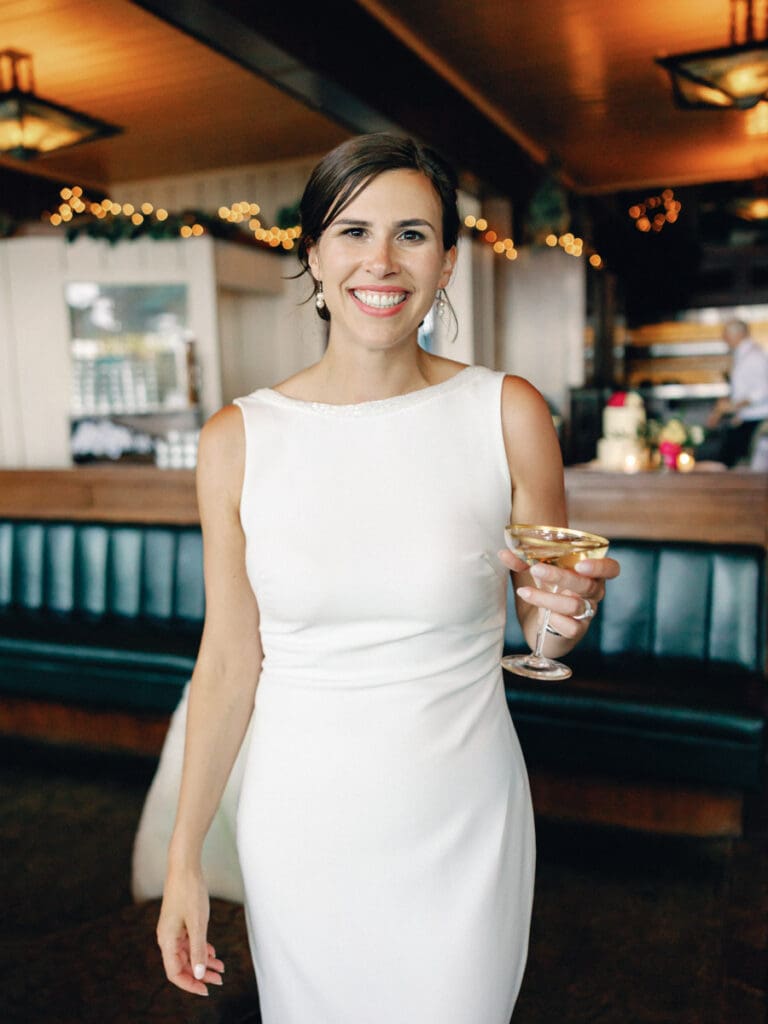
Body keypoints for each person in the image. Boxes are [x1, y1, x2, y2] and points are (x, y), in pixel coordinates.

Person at [155, 133, 620, 1023]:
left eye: (413, 234)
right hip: (302, 825)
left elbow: (546, 632)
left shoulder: (507, 410)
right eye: (353, 231)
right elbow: (226, 662)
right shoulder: (237, 440)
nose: (382, 259)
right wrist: (185, 858)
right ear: (314, 254)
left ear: (447, 260)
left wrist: (567, 611)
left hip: (461, 817)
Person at [707, 319, 768, 466]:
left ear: (738, 334)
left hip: (757, 420)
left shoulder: (754, 356)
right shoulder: (743, 354)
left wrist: (734, 406)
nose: (723, 338)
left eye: (726, 333)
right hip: (748, 418)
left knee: (731, 462)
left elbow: (762, 390)